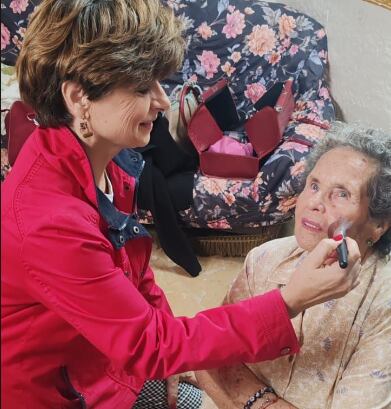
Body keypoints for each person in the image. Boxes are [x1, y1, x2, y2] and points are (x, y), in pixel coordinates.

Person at [0, 1, 361, 408]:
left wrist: (167, 355)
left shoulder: (106, 161)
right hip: (54, 394)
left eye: (159, 83)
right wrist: (289, 300)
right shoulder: (48, 222)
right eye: (141, 88)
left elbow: (136, 278)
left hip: (102, 364)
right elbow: (150, 345)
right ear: (78, 97)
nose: (162, 101)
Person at [196, 122, 391, 409]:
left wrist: (247, 394)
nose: (315, 202)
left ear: (378, 225)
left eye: (341, 194)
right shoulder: (263, 258)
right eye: (314, 185)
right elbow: (209, 358)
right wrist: (264, 402)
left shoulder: (383, 305)